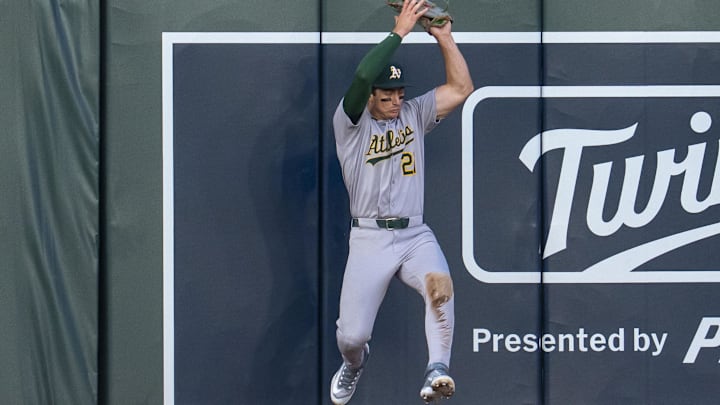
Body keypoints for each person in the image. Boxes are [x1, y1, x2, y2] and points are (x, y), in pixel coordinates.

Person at [329, 0, 474, 403]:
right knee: (352, 336)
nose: (395, 101)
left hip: (413, 233)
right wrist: (400, 31)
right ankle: (354, 364)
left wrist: (444, 37)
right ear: (371, 97)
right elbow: (361, 74)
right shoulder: (350, 125)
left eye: (399, 93)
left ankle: (437, 369)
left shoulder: (414, 113)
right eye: (386, 95)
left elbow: (462, 89)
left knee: (440, 286)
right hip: (369, 239)